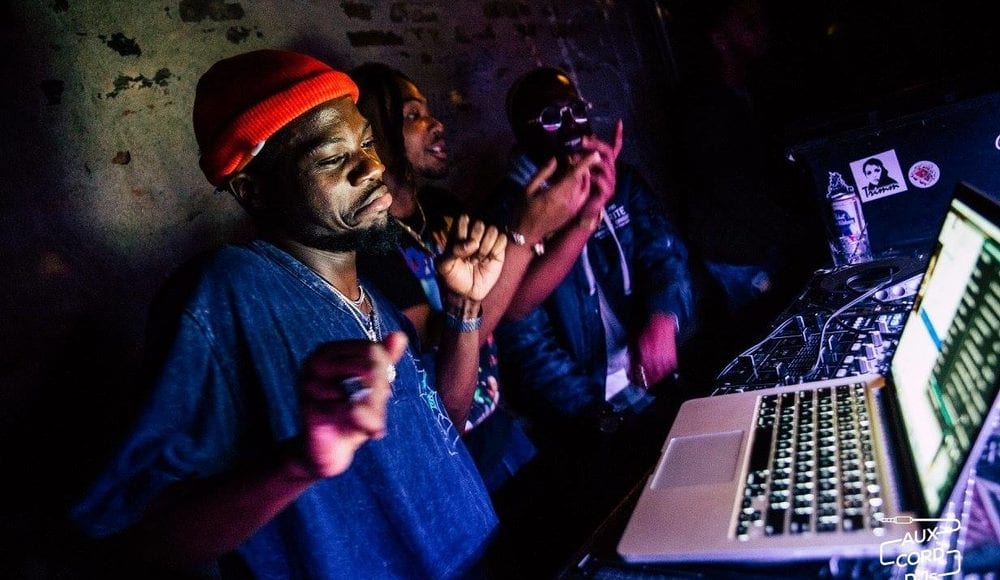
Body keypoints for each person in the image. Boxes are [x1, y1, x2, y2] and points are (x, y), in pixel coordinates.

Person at [69, 49, 508, 578]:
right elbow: (135, 539)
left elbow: (445, 431)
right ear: (253, 190)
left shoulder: (376, 302)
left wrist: (464, 309)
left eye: (368, 144)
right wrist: (298, 463)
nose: (373, 168)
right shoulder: (228, 292)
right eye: (332, 158)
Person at [349, 63, 604, 492]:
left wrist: (583, 219)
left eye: (428, 111)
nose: (436, 124)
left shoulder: (441, 208)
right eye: (413, 115)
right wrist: (525, 234)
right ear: (371, 137)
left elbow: (512, 304)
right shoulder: (371, 247)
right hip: (452, 454)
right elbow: (446, 345)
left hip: (500, 422)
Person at [483, 66, 696, 573]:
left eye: (577, 109)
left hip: (653, 381)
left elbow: (664, 255)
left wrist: (663, 318)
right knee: (634, 542)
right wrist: (596, 418)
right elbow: (520, 336)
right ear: (523, 132)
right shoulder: (507, 215)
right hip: (588, 417)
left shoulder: (620, 180)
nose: (573, 124)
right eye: (552, 116)